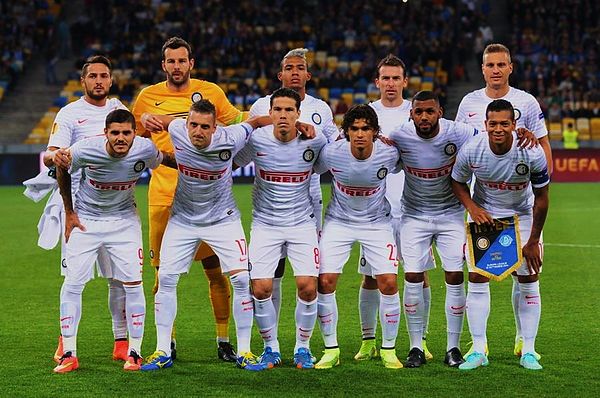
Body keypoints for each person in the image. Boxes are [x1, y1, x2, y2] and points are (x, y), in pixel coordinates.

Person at [140, 100, 274, 372]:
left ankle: (246, 351)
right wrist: (147, 116)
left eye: (204, 127)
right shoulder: (177, 129)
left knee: (240, 278)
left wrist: (299, 125)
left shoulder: (231, 137)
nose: (197, 132)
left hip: (222, 219)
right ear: (186, 124)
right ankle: (163, 349)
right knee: (165, 279)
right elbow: (164, 121)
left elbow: (257, 122)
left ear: (215, 128)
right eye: (193, 125)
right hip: (183, 219)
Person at [131, 37, 243, 362]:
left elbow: (237, 122)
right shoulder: (147, 97)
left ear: (191, 63)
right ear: (163, 64)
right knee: (163, 276)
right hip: (164, 198)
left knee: (215, 272)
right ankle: (168, 344)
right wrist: (143, 127)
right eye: (171, 61)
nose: (176, 66)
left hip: (205, 199)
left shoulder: (211, 93)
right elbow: (132, 140)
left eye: (182, 60)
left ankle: (223, 341)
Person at [456, 43, 551, 358]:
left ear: (511, 67)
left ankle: (526, 343)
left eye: (501, 64)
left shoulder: (527, 101)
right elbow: (458, 147)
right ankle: (478, 348)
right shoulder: (469, 102)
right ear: (482, 69)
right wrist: (470, 206)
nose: (495, 70)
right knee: (479, 274)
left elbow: (541, 142)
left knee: (526, 273)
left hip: (521, 201)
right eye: (489, 65)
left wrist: (542, 174)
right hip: (485, 202)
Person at [53, 109, 166, 373]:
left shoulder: (145, 150)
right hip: (86, 221)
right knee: (73, 284)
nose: (120, 138)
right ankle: (69, 353)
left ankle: (134, 353)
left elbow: (166, 160)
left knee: (133, 284)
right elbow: (61, 165)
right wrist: (69, 212)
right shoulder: (85, 149)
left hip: (125, 223)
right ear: (105, 133)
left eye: (126, 132)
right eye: (115, 132)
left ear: (134, 133)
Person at [43, 55, 130, 364]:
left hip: (115, 205)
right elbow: (50, 154)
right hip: (77, 205)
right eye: (92, 76)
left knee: (120, 278)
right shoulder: (69, 114)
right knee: (73, 279)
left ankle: (121, 341)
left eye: (104, 75)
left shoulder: (120, 110)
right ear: (83, 81)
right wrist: (54, 159)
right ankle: (65, 342)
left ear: (111, 79)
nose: (98, 81)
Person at [248, 48, 339, 339]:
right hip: (270, 199)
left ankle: (315, 340)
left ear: (308, 75)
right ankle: (271, 340)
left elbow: (332, 148)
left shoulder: (321, 108)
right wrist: (289, 124)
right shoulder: (262, 105)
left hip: (308, 195)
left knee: (309, 278)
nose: (295, 72)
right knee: (270, 275)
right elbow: (249, 136)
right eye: (289, 68)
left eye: (300, 68)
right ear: (280, 74)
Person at [235, 88, 328, 370]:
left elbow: (327, 166)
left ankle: (303, 347)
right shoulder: (257, 140)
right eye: (279, 110)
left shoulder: (316, 141)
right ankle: (270, 348)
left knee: (308, 287)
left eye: (290, 110)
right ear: (270, 113)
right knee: (261, 288)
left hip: (302, 224)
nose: (284, 115)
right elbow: (233, 160)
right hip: (265, 224)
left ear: (298, 114)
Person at [387, 91, 478, 368]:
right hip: (413, 215)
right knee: (413, 276)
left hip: (450, 215)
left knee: (454, 275)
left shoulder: (459, 132)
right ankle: (416, 346)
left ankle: (453, 347)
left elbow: (488, 137)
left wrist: (524, 134)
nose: (424, 117)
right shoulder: (399, 136)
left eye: (429, 111)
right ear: (411, 114)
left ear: (440, 112)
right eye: (418, 112)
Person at [354, 54, 435, 363]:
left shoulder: (416, 115)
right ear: (377, 82)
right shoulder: (366, 115)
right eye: (384, 78)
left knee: (419, 274)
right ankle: (368, 340)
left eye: (395, 78)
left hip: (414, 208)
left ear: (405, 81)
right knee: (372, 276)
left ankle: (421, 340)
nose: (390, 83)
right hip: (375, 212)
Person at [314, 104, 403, 370]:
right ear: (346, 132)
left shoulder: (389, 153)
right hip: (339, 222)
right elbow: (310, 168)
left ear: (375, 132)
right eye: (354, 129)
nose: (360, 134)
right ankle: (331, 349)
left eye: (366, 129)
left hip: (377, 223)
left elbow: (405, 163)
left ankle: (388, 348)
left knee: (387, 282)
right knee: (326, 281)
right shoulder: (332, 153)